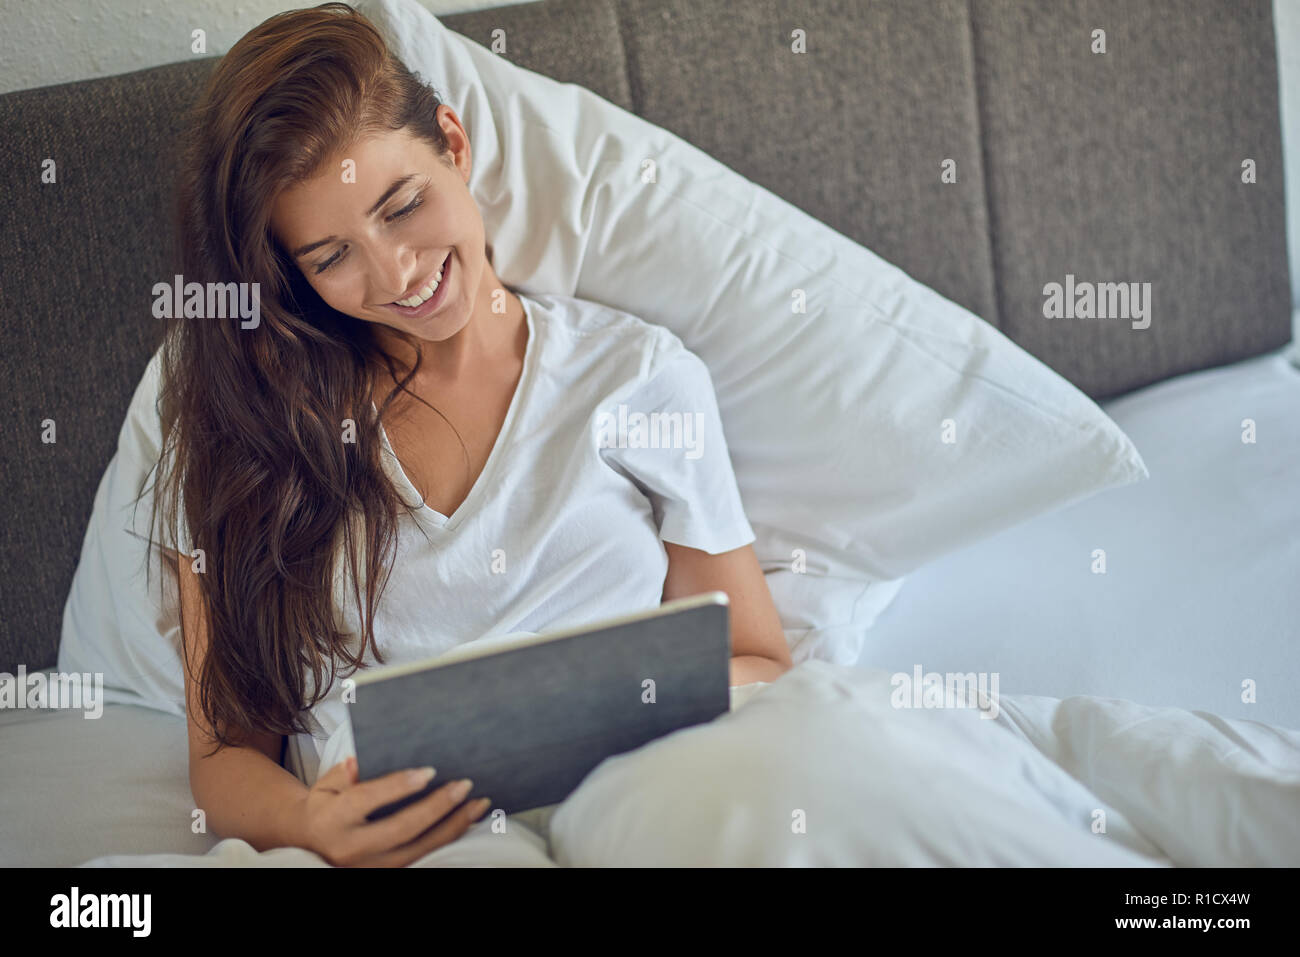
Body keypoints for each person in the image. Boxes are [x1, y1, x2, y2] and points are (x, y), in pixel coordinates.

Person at [147, 2, 792, 867]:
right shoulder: (254, 436)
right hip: (425, 837)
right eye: (332, 256)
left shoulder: (638, 377)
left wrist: (612, 702)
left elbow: (760, 659)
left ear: (453, 143)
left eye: (403, 205)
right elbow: (227, 757)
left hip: (641, 786)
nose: (397, 272)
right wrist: (307, 824)